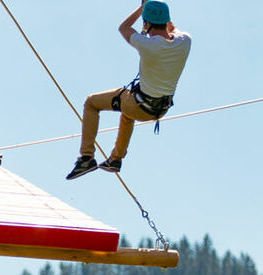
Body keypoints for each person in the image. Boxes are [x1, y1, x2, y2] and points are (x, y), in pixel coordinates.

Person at [67, 1, 191, 180]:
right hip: (159, 110)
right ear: (167, 20)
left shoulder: (149, 46)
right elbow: (172, 28)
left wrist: (142, 8)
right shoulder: (185, 41)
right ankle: (115, 159)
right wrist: (151, 10)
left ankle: (86, 158)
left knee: (91, 102)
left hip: (138, 105)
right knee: (127, 113)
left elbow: (123, 27)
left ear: (146, 23)